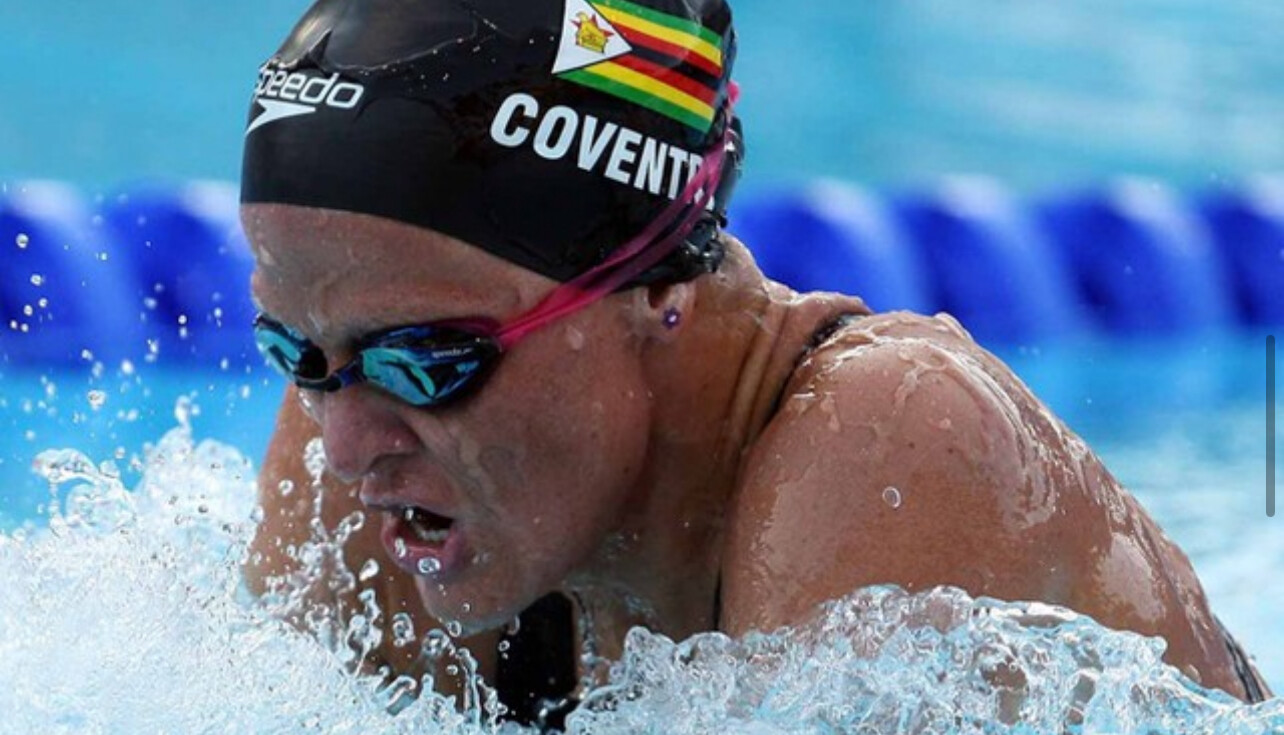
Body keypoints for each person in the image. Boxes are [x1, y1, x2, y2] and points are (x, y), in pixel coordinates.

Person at [239, 0, 1270, 723]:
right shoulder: (373, 447)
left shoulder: (890, 445)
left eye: (430, 361)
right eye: (296, 353)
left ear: (653, 285)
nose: (347, 446)